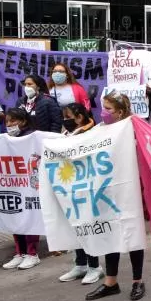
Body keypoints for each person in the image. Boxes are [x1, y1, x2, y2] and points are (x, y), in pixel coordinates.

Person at [85, 93, 146, 301]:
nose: (104, 112)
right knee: (110, 231)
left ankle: (138, 281)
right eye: (103, 107)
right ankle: (111, 282)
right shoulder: (98, 130)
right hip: (105, 189)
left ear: (120, 111)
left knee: (132, 232)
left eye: (108, 109)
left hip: (128, 187)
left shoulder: (134, 126)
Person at [56, 104, 105, 285]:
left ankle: (94, 266)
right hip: (71, 187)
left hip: (88, 187)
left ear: (79, 117)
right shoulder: (67, 134)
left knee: (88, 227)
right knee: (75, 227)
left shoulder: (93, 133)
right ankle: (81, 263)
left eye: (68, 117)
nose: (65, 120)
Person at [0, 108, 42, 270]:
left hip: (28, 186)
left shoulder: (32, 137)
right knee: (15, 218)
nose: (9, 125)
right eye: (7, 122)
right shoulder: (5, 139)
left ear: (23, 122)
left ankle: (32, 254)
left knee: (29, 218)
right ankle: (20, 253)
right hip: (13, 184)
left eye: (13, 121)